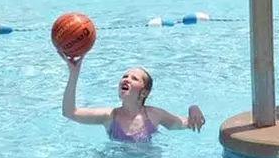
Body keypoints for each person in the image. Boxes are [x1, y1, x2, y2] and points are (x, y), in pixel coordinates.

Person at [62, 58, 204, 142]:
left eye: (134, 79)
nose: (126, 79)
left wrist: (193, 108)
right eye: (125, 76)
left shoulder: (155, 115)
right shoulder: (109, 116)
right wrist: (74, 73)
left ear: (144, 93)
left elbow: (187, 124)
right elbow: (69, 112)